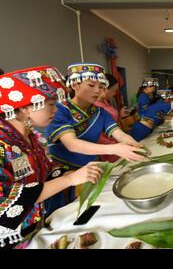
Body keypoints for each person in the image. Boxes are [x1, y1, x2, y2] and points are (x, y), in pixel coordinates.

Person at [0, 66, 102, 248]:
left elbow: (45, 170)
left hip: (39, 224)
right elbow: (7, 200)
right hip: (16, 238)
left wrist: (66, 173)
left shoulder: (30, 136)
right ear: (24, 108)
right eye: (51, 104)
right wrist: (70, 179)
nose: (56, 109)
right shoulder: (3, 143)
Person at [44, 63, 144, 214]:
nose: (98, 90)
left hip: (91, 170)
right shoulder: (60, 111)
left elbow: (119, 133)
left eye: (101, 86)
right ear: (75, 85)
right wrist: (115, 148)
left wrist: (132, 144)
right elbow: (72, 144)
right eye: (91, 85)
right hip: (65, 175)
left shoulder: (99, 112)